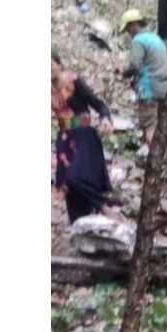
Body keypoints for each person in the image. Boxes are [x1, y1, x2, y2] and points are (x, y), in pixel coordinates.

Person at [51, 51, 124, 225]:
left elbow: (97, 103)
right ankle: (83, 227)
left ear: (59, 64)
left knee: (74, 178)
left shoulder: (73, 82)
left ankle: (104, 207)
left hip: (84, 136)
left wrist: (105, 117)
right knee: (73, 198)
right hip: (64, 140)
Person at [118, 9, 167, 158]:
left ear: (134, 24)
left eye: (128, 28)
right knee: (165, 123)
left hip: (148, 89)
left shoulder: (138, 41)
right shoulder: (155, 39)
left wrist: (122, 71)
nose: (128, 32)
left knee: (149, 126)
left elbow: (135, 66)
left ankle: (156, 161)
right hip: (164, 86)